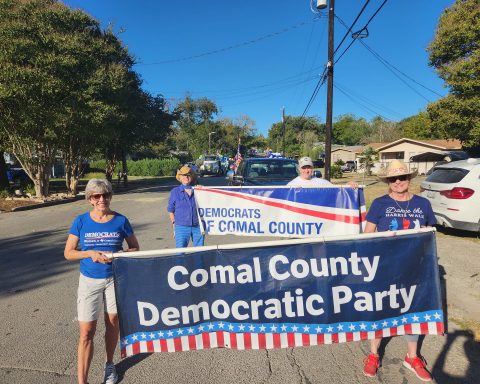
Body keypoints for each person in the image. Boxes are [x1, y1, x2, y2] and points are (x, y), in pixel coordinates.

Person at [362, 159, 436, 382]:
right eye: (393, 178)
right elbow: (367, 234)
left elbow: (430, 233)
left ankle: (412, 357)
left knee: (413, 310)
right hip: (384, 267)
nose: (398, 182)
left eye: (402, 177)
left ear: (409, 179)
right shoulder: (379, 203)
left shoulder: (423, 204)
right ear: (388, 181)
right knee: (380, 309)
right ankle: (374, 354)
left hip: (414, 268)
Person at [64, 179, 139, 384]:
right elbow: (68, 253)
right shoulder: (80, 221)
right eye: (96, 196)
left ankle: (109, 364)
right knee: (87, 331)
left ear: (110, 196)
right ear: (90, 199)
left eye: (105, 195)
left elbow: (135, 247)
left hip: (115, 279)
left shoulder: (121, 220)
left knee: (113, 322)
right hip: (90, 281)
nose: (102, 199)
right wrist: (89, 253)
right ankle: (82, 381)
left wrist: (120, 254)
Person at [168, 165, 204, 248]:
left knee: (200, 252)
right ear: (180, 177)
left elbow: (209, 204)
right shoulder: (175, 192)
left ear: (192, 177)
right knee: (180, 252)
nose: (186, 177)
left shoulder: (198, 190)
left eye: (188, 175)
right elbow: (170, 210)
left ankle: (199, 262)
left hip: (197, 226)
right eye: (183, 175)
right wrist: (174, 224)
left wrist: (203, 190)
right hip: (181, 226)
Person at [287, 156, 357, 188]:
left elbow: (337, 191)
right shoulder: (291, 185)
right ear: (299, 169)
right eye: (304, 168)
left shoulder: (322, 182)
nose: (306, 170)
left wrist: (348, 185)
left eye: (309, 167)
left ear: (312, 168)